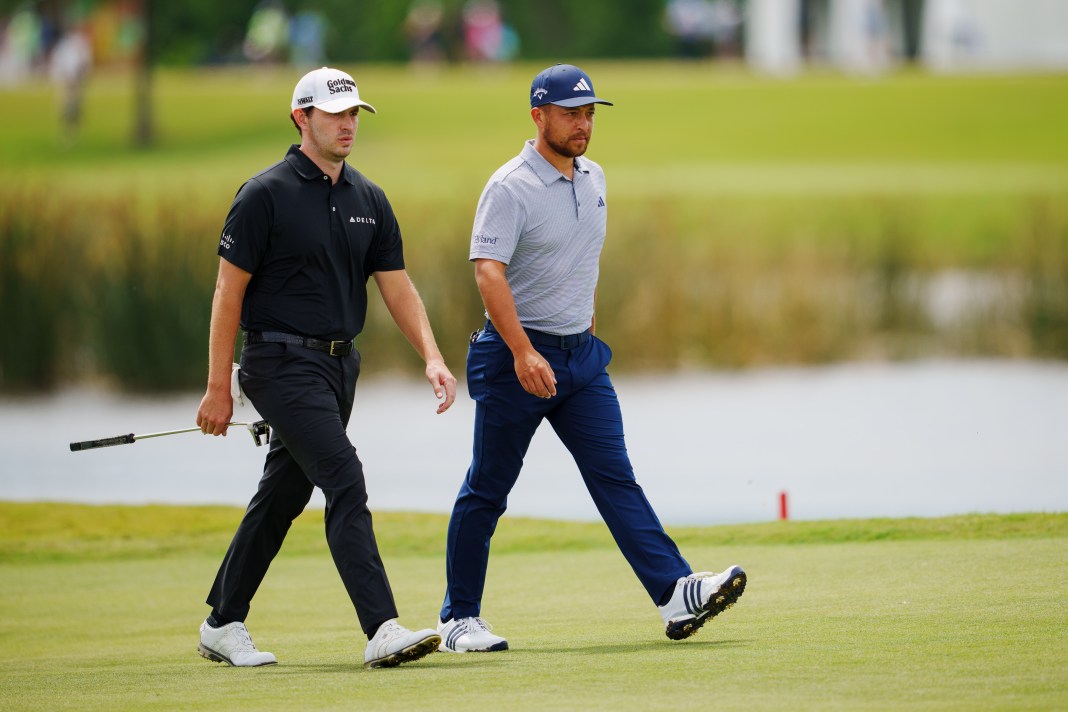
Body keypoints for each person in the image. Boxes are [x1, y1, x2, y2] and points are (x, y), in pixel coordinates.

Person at [436, 64, 746, 653]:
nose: (584, 125)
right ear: (538, 115)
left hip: (581, 360)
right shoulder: (509, 186)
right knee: (488, 488)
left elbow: (582, 261)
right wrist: (524, 351)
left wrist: (585, 321)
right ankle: (459, 619)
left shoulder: (595, 177)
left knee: (615, 478)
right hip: (514, 360)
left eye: (590, 114)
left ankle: (675, 595)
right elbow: (487, 272)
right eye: (572, 114)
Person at [195, 66, 457, 669]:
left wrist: (434, 358)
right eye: (334, 114)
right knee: (344, 477)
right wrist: (218, 388)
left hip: (339, 370)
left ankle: (222, 620)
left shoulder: (369, 199)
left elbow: (397, 287)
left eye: (353, 114)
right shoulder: (264, 194)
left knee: (283, 496)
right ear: (301, 118)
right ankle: (381, 626)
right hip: (278, 362)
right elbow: (226, 295)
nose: (347, 124)